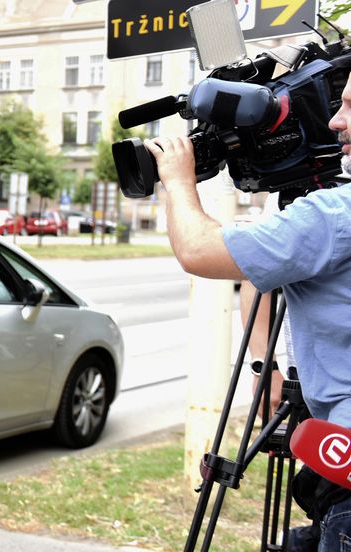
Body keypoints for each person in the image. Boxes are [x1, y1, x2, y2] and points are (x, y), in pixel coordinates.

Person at [144, 72, 351, 551]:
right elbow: (260, 277)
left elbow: (199, 250)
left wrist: (177, 179)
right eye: (333, 105)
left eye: (348, 107)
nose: (336, 122)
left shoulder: (333, 217)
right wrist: (268, 369)